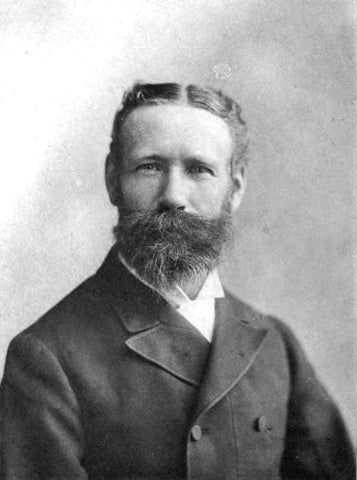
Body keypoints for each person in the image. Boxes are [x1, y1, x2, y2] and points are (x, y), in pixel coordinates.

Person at [0, 82, 354, 480]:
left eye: (199, 170)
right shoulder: (48, 357)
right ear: (113, 178)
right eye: (149, 166)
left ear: (234, 189)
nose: (173, 196)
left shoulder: (275, 344)